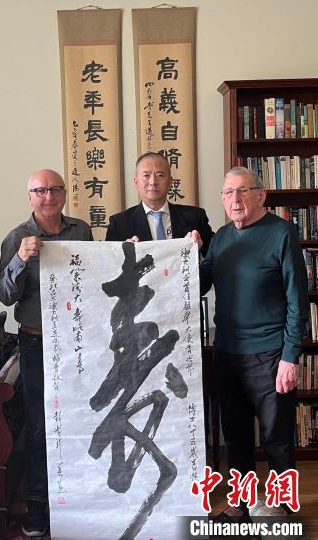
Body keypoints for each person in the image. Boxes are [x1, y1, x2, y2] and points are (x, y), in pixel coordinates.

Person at [200, 166, 309, 522]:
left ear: (260, 195)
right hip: (227, 352)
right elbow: (199, 283)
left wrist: (290, 357)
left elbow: (297, 300)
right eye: (228, 193)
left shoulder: (281, 233)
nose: (234, 199)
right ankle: (240, 505)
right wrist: (186, 253)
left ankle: (282, 507)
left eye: (242, 191)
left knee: (277, 438)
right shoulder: (220, 238)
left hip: (270, 353)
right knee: (236, 436)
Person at [0, 169, 93, 537]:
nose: (48, 196)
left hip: (77, 342)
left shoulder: (81, 231)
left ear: (65, 194)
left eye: (54, 189)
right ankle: (37, 505)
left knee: (78, 419)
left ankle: (78, 499)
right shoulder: (16, 237)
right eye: (40, 190)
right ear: (30, 197)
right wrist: (20, 259)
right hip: (35, 342)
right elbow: (5, 296)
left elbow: (93, 278)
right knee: (39, 426)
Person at [105, 152, 214, 256]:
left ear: (170, 181)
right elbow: (109, 265)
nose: (153, 182)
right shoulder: (119, 224)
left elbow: (215, 258)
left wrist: (197, 247)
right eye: (146, 175)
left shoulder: (195, 217)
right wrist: (123, 256)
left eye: (160, 175)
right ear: (136, 182)